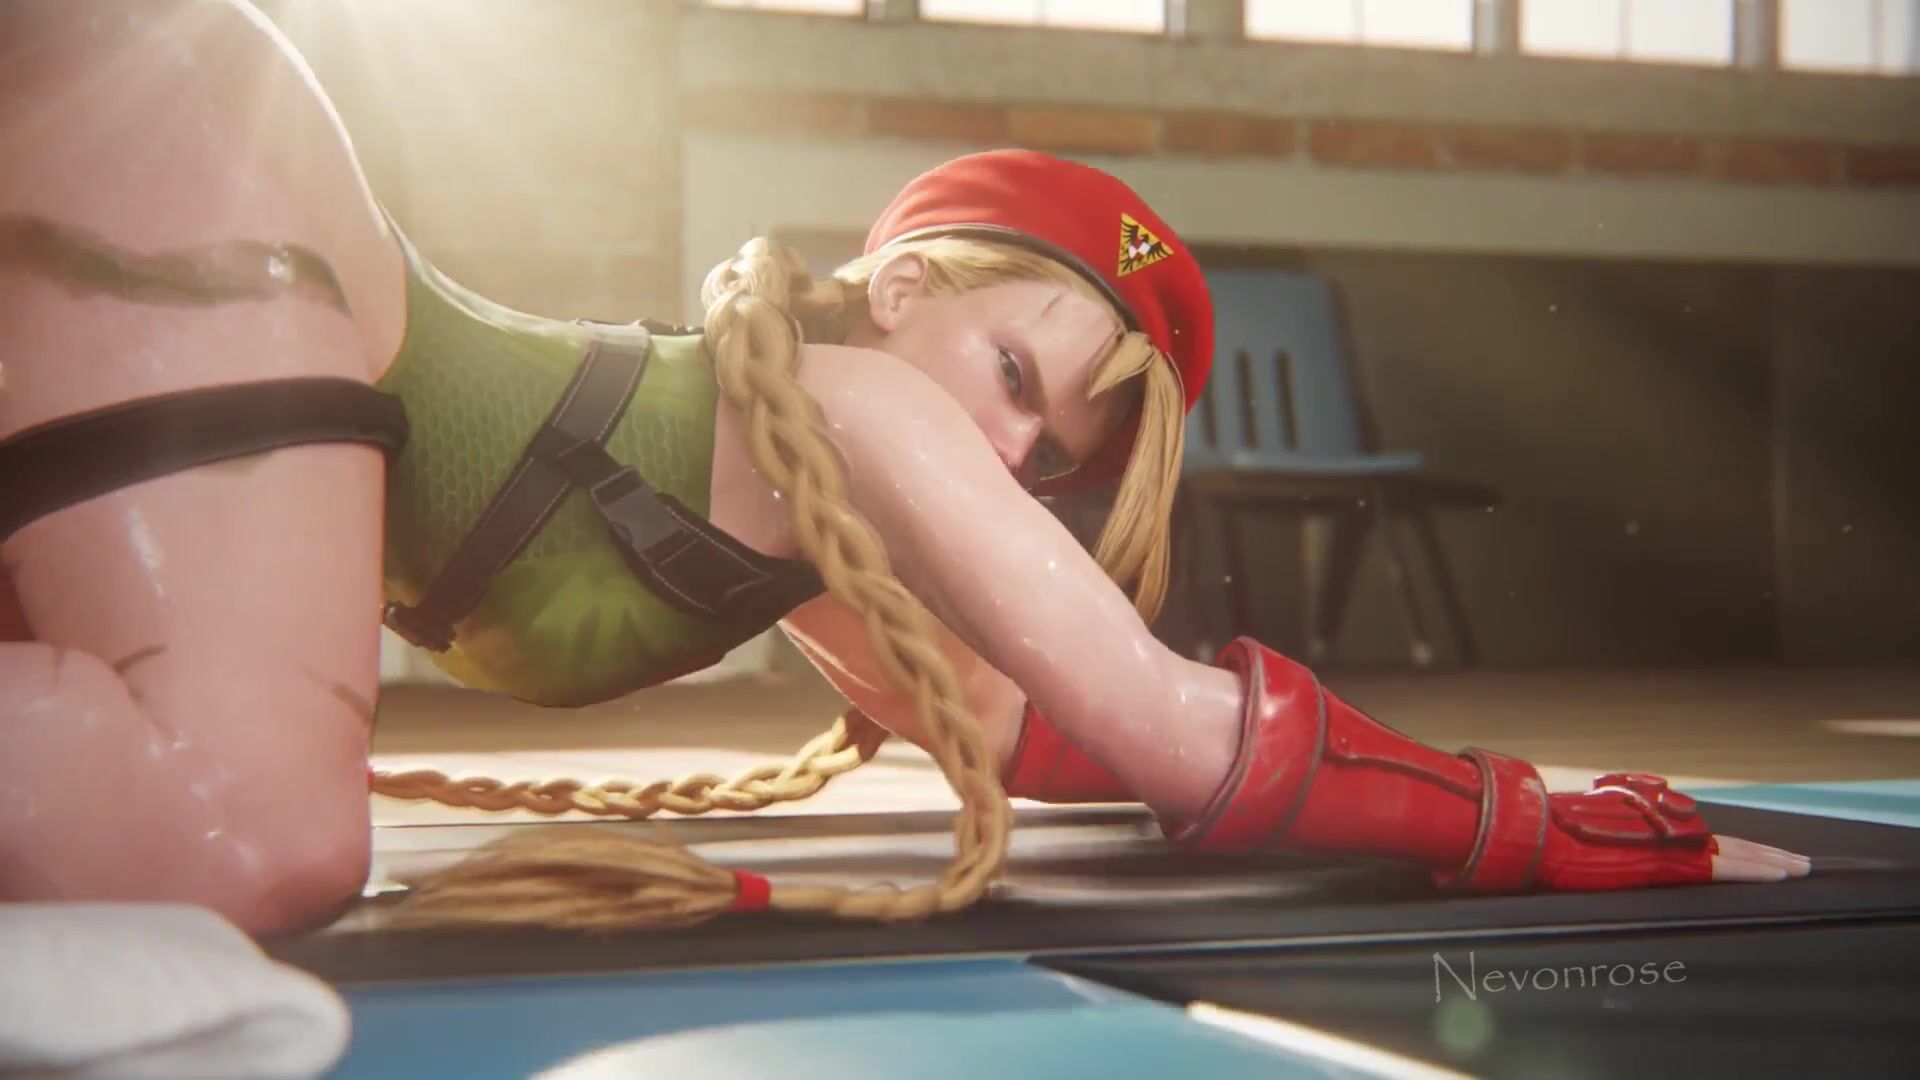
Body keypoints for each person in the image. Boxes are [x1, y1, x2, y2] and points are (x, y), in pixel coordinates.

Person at [0, 0, 1808, 937]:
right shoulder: (865, 407)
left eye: (1053, 455)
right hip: (192, 139)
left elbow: (1055, 739)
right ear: (905, 285)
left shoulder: (826, 527)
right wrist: (1519, 819)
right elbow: (1173, 731)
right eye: (1016, 379)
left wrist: (1485, 799)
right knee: (245, 823)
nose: (1008, 454)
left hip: (192, 146)